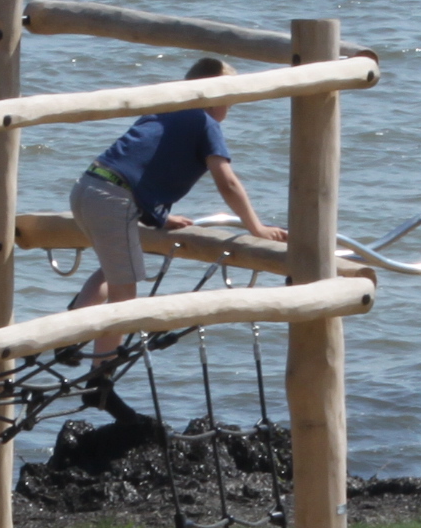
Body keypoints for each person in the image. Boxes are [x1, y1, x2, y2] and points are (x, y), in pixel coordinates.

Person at [66, 58, 285, 371]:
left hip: (89, 186)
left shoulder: (166, 109)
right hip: (114, 197)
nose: (229, 110)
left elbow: (140, 161)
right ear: (216, 98)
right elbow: (228, 182)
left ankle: (69, 337)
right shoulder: (205, 122)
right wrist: (257, 227)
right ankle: (101, 370)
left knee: (111, 270)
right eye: (230, 102)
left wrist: (159, 218)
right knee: (125, 291)